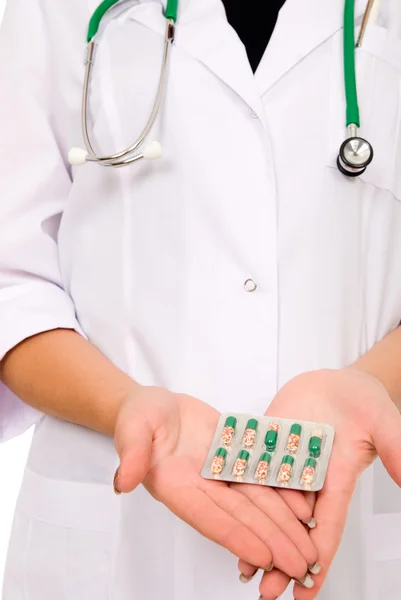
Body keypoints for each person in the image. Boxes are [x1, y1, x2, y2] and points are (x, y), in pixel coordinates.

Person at [0, 0, 401, 598]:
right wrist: (123, 406)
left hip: (346, 526)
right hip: (115, 539)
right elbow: (13, 282)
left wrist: (373, 383)